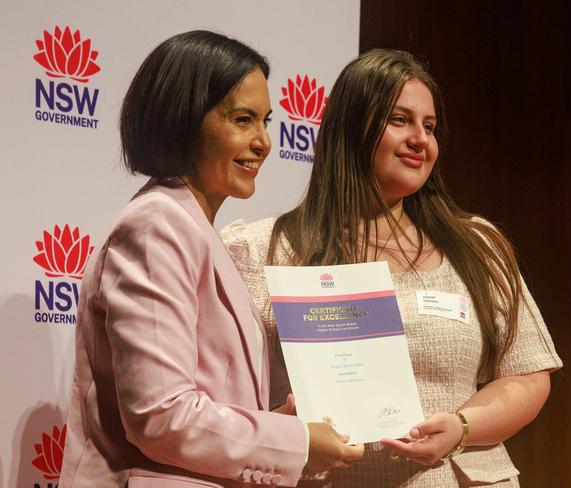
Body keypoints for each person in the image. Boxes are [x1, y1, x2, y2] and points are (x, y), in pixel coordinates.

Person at [220, 49, 562, 487]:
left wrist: (463, 426)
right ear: (351, 128)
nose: (421, 139)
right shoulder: (257, 249)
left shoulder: (477, 246)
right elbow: (212, 396)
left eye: (430, 126)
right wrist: (275, 431)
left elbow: (528, 375)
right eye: (399, 120)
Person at [59, 31, 363, 488]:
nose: (263, 142)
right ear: (183, 120)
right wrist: (294, 440)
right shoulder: (157, 225)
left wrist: (276, 423)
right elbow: (162, 417)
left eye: (266, 121)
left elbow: (199, 399)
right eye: (243, 120)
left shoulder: (194, 228)